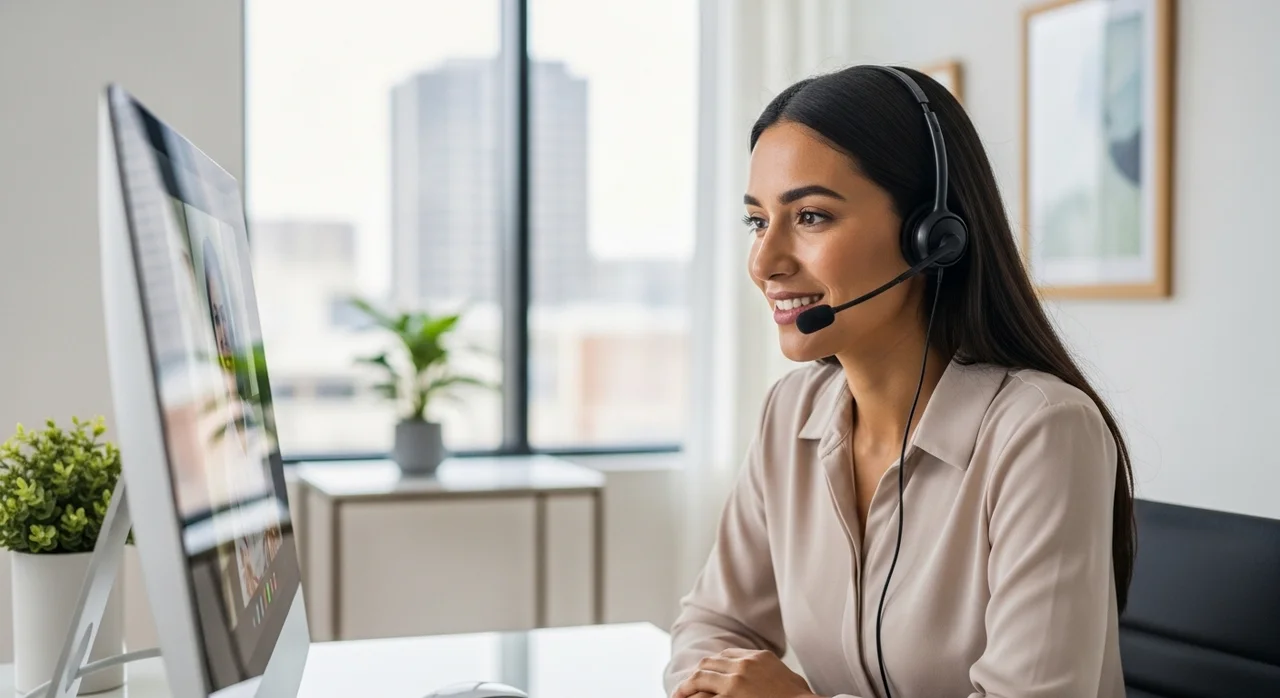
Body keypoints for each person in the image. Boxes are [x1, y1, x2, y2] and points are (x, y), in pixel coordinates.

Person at [664, 64, 1135, 698]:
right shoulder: (791, 414)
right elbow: (714, 624)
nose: (765, 262)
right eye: (757, 221)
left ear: (930, 236)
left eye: (810, 217)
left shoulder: (1041, 431)